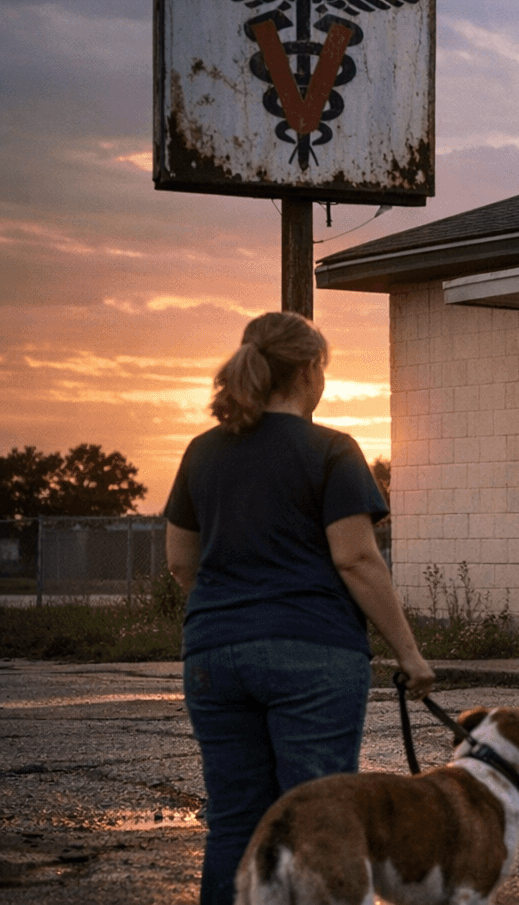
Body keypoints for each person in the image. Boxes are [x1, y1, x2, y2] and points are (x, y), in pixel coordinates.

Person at [164, 311, 434, 905]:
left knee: (235, 822)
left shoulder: (201, 452)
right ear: (312, 371)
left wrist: (234, 612)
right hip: (313, 654)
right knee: (318, 822)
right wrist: (410, 654)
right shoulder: (331, 450)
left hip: (214, 653)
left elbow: (181, 562)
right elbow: (356, 559)